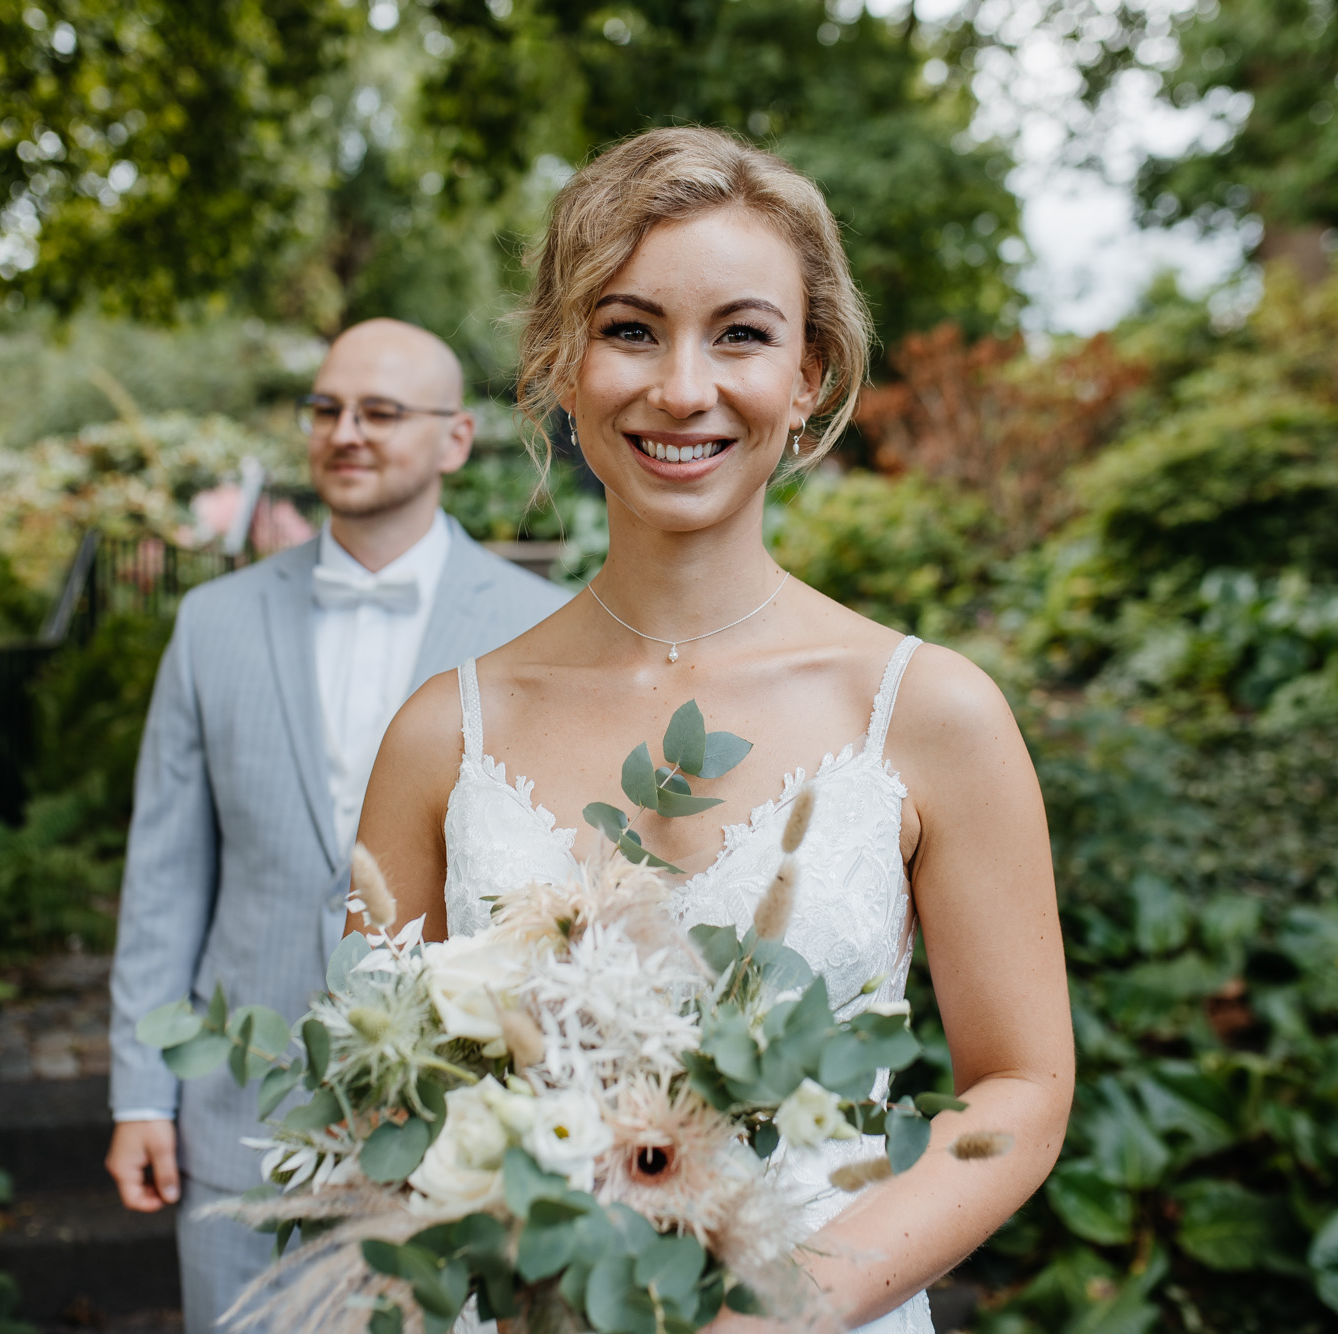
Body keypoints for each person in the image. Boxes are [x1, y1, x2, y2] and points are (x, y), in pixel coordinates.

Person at [359, 130, 1074, 1332]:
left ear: (807, 374)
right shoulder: (444, 733)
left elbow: (1021, 1087)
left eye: (739, 334)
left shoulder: (928, 711)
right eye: (629, 329)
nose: (681, 388)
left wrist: (781, 1305)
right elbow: (383, 1089)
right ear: (559, 363)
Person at [105, 318, 571, 1334]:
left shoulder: (543, 625)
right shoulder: (211, 623)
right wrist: (141, 1091)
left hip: (459, 1122)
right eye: (325, 408)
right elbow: (164, 874)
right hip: (238, 1115)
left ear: (453, 439)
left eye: (379, 411)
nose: (344, 430)